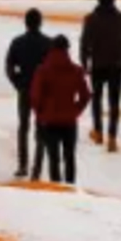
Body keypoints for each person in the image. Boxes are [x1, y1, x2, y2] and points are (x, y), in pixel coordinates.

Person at [79, 0, 121, 153]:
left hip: (97, 65)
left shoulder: (90, 19)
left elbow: (84, 44)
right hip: (116, 65)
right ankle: (112, 138)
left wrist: (84, 64)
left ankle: (98, 132)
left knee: (97, 99)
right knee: (114, 103)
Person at [29, 36, 92, 186]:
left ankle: (56, 189)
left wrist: (40, 114)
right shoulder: (76, 70)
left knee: (53, 158)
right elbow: (86, 95)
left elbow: (35, 97)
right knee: (69, 157)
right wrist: (75, 110)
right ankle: (70, 186)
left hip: (49, 121)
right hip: (69, 120)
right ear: (67, 49)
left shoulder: (42, 70)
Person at [4, 8, 53, 178]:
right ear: (40, 23)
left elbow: (9, 66)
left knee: (23, 127)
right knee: (41, 129)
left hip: (24, 89)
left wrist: (17, 82)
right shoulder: (49, 43)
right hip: (43, 92)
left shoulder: (17, 42)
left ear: (26, 23)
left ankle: (22, 165)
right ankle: (37, 168)